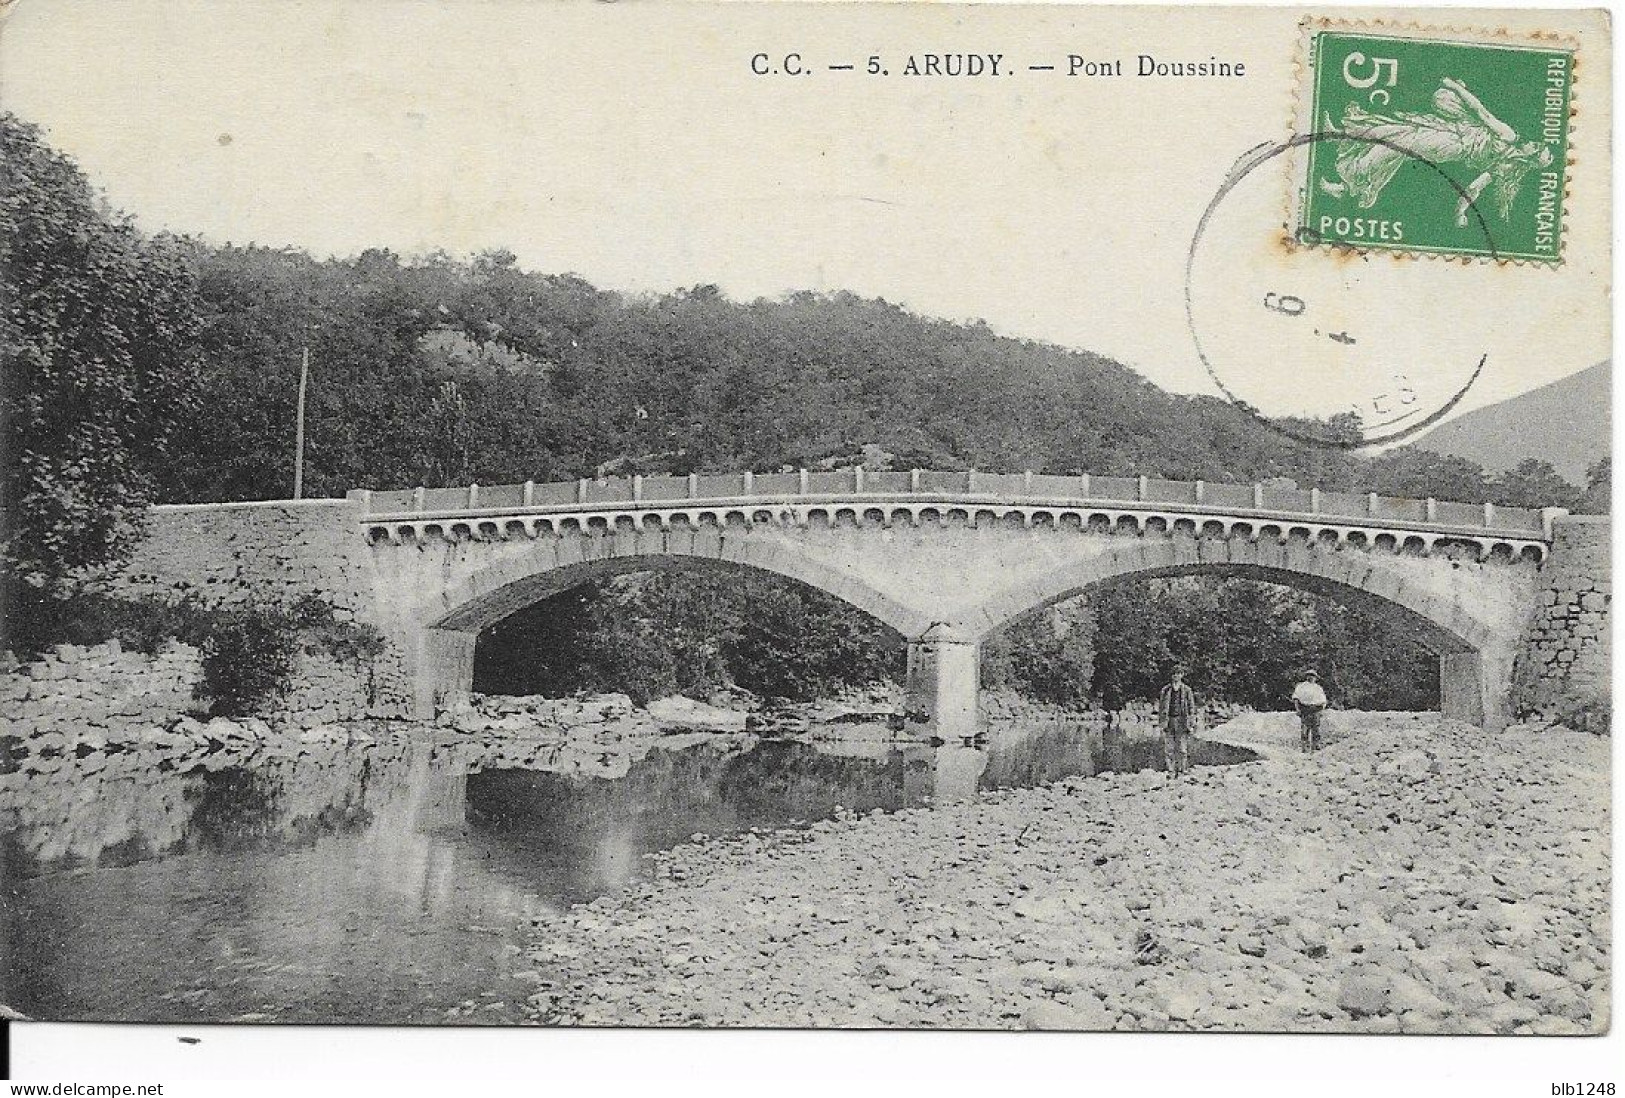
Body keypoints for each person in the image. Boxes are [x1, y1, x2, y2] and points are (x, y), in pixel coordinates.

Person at [1156, 666, 1197, 777]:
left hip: (1182, 720)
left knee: (1182, 747)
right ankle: (1170, 770)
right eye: (1174, 674)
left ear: (1182, 675)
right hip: (1169, 720)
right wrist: (1161, 722)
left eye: (1178, 673)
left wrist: (1191, 723)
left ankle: (1182, 769)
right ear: (1171, 676)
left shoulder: (1187, 690)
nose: (1176, 676)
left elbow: (1191, 707)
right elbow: (1161, 707)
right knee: (1169, 747)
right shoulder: (1165, 690)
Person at [1291, 670, 1329, 753]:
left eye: (1313, 675)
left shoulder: (1318, 688)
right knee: (1305, 729)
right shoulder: (1301, 686)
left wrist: (1321, 710)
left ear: (1316, 677)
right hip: (1305, 709)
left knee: (1316, 729)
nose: (1311, 677)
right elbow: (1296, 698)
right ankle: (1304, 747)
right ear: (1306, 676)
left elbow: (1323, 700)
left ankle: (1316, 746)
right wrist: (1297, 709)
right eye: (1309, 675)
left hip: (1316, 709)